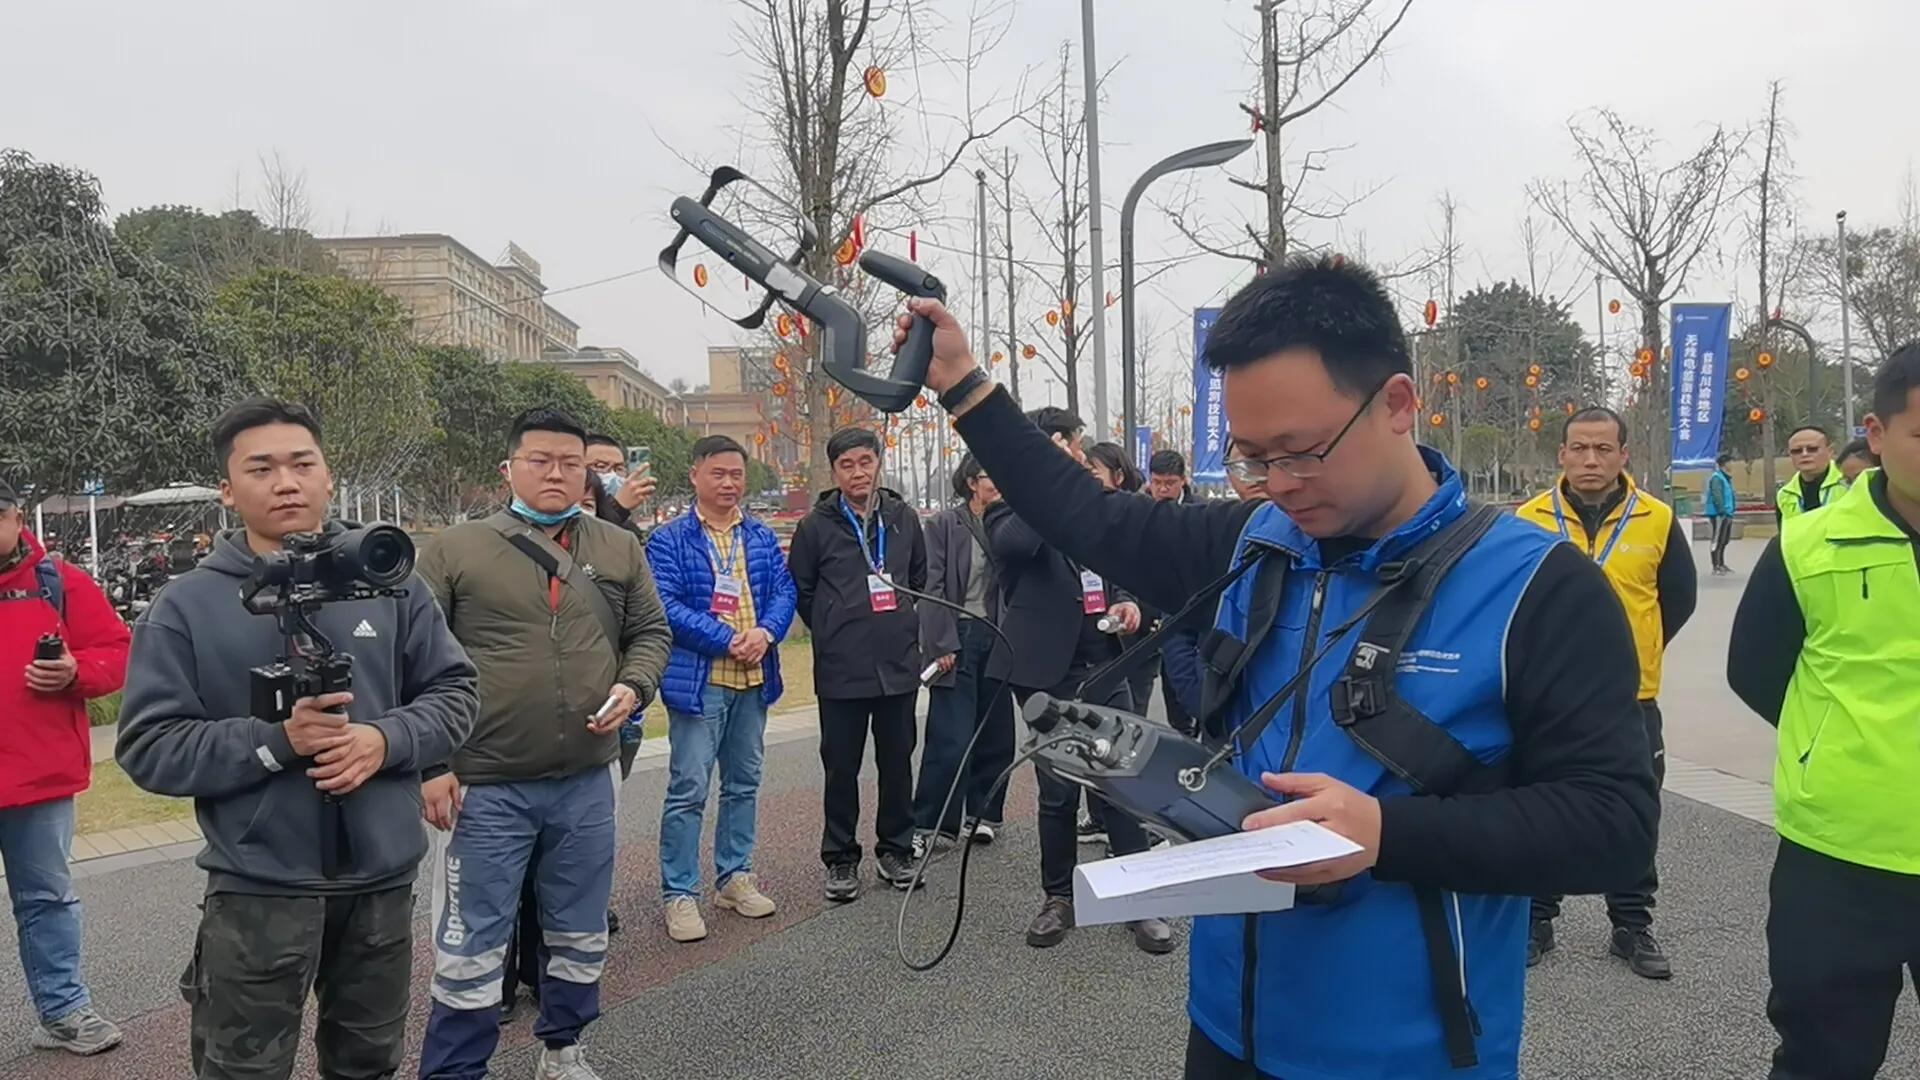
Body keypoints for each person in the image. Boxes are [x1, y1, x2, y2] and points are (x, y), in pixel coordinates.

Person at [898, 256, 1657, 1078]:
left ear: (1399, 404)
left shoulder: (1537, 587)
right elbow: (1089, 515)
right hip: (1229, 1028)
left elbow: (1614, 827)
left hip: (1414, 1051)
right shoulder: (1251, 543)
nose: (1280, 486)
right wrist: (963, 383)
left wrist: (1384, 834)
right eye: (1253, 458)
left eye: (1301, 452)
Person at [115, 399, 479, 1079]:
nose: (285, 481)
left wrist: (385, 740)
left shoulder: (391, 583)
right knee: (242, 1070)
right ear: (228, 489)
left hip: (380, 882)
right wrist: (274, 741)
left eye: (301, 464)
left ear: (328, 476)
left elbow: (457, 695)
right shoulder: (187, 606)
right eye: (261, 468)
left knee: (369, 1064)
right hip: (258, 889)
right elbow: (148, 747)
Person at [415, 407, 671, 1080]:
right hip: (484, 784)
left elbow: (651, 632)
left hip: (587, 778)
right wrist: (432, 762)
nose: (557, 473)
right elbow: (410, 658)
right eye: (540, 460)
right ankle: (454, 1071)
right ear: (509, 469)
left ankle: (564, 1047)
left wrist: (635, 685)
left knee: (579, 929)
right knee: (471, 943)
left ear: (589, 470)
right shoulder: (455, 548)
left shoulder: (618, 547)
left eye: (571, 461)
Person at [1729, 343, 1920, 1080]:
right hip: (1838, 857)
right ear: (1875, 435)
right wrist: (1837, 745)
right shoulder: (1809, 545)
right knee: (1823, 1058)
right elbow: (1753, 669)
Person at [1516, 406, 1697, 980]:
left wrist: (1633, 651)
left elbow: (1678, 601)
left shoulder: (1658, 519)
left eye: (1603, 449)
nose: (1590, 460)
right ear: (1562, 454)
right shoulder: (1527, 519)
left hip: (1630, 700)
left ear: (1624, 455)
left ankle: (1631, 926)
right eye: (1579, 448)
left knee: (1634, 813)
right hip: (1547, 698)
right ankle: (1537, 918)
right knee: (1541, 807)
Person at [986, 409, 1174, 955]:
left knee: (1121, 782)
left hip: (1106, 667)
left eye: (1069, 446)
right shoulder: (1008, 509)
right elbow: (1015, 546)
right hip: (1046, 674)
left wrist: (1128, 604)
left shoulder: (1090, 513)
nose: (1067, 455)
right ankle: (1058, 898)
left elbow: (1121, 575)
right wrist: (1045, 485)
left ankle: (1138, 899)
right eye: (1052, 448)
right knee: (1058, 790)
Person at [646, 435, 798, 944]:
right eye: (719, 473)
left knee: (744, 782)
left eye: (737, 474)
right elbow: (665, 605)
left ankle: (734, 877)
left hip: (753, 679)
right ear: (695, 475)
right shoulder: (668, 539)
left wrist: (768, 633)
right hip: (700, 681)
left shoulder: (757, 535)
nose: (730, 483)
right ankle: (680, 893)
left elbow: (783, 589)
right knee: (689, 788)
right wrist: (728, 639)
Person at [0, 479, 129, 1056]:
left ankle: (63, 1010)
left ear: (16, 517)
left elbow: (119, 650)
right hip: (37, 770)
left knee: (47, 898)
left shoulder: (59, 582)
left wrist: (77, 671)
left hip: (38, 776)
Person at [786, 427, 928, 901]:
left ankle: (896, 849)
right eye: (847, 465)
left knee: (897, 763)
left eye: (865, 462)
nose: (857, 472)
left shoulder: (904, 518)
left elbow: (919, 578)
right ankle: (841, 858)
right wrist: (830, 627)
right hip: (842, 668)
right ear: (834, 472)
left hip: (898, 665)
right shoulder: (816, 525)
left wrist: (905, 629)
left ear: (877, 463)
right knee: (840, 767)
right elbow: (802, 590)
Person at [912, 454, 1015, 852]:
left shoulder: (1010, 522)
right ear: (972, 482)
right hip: (959, 635)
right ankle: (933, 822)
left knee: (997, 730)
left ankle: (984, 814)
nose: (998, 485)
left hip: (999, 636)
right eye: (992, 476)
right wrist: (941, 643)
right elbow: (931, 587)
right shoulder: (944, 525)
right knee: (949, 736)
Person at [1147, 450, 1206, 734]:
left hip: (1187, 616)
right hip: (1147, 617)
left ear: (1183, 481)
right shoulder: (1139, 510)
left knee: (1184, 684)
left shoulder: (1203, 513)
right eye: (1156, 482)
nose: (1162, 489)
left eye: (1169, 482)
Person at [1776, 426, 1845, 526]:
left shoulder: (1849, 482)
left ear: (1830, 451)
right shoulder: (1784, 495)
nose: (1804, 454)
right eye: (1796, 451)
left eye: (1812, 449)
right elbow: (1784, 537)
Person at [1706, 451, 1738, 575]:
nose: (1732, 464)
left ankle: (1721, 563)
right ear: (1724, 464)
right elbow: (1717, 495)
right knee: (1717, 539)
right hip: (1719, 514)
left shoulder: (1726, 478)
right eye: (1730, 462)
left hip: (1727, 513)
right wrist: (1722, 510)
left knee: (1724, 540)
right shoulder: (1717, 478)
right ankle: (1715, 565)